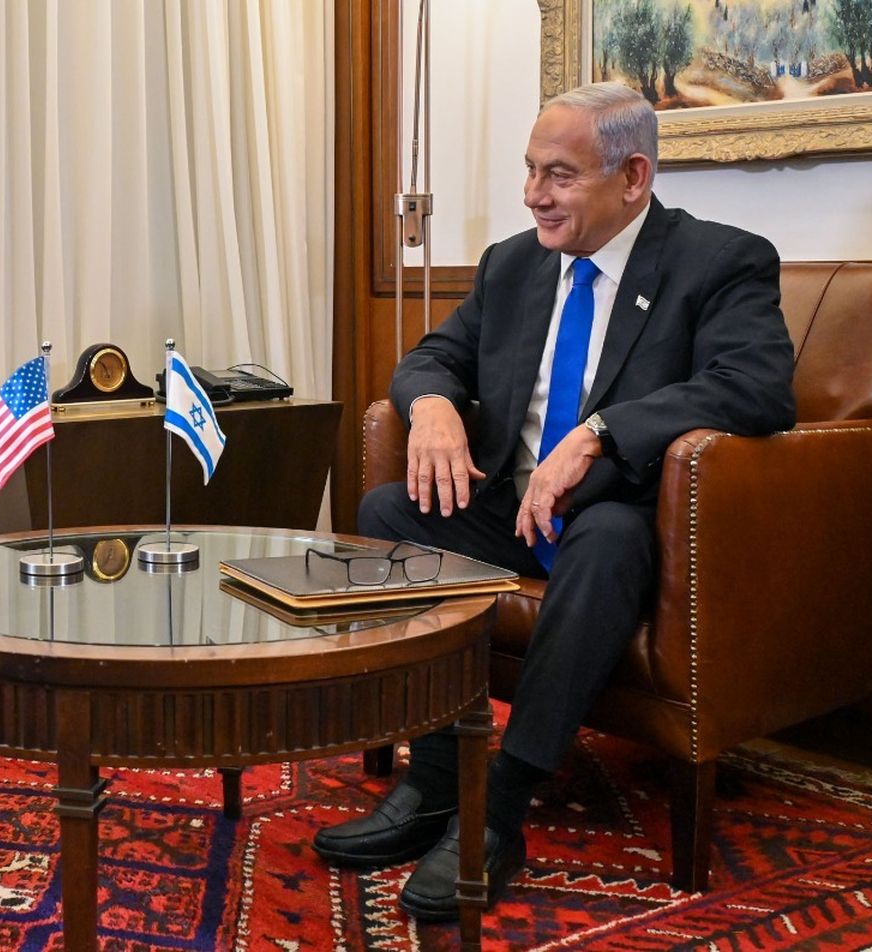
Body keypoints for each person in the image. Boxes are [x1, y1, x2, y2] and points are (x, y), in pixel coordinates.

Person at [311, 83, 796, 917]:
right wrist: (429, 406)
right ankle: (433, 781)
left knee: (605, 538)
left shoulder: (719, 261)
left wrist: (600, 432)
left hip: (622, 516)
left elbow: (756, 389)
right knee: (390, 514)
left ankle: (500, 807)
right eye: (531, 170)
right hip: (511, 508)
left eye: (560, 175)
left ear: (633, 176)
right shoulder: (514, 264)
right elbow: (434, 356)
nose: (534, 194)